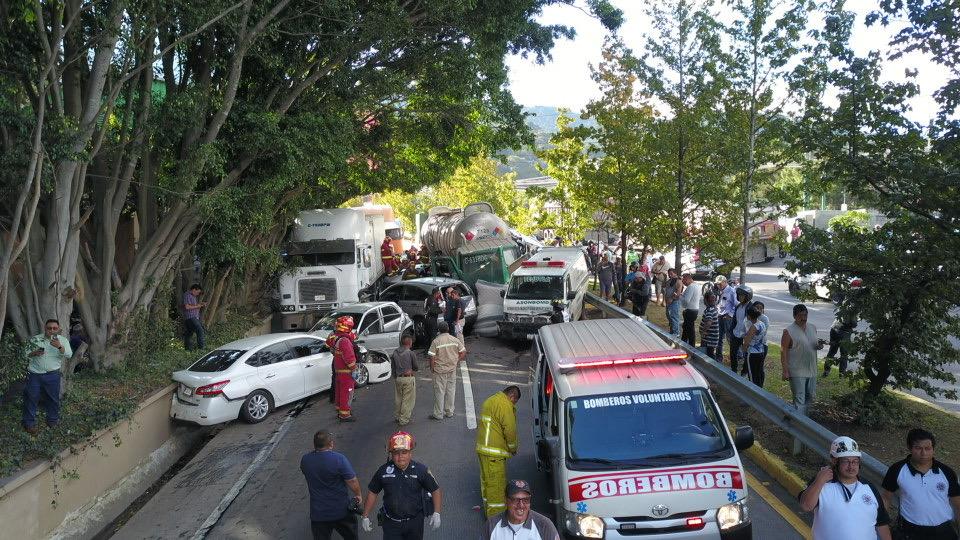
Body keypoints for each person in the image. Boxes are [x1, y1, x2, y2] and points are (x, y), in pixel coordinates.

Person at [799, 436, 892, 540]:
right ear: (834, 460)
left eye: (855, 461)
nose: (851, 466)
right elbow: (806, 506)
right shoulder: (822, 483)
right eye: (846, 461)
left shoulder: (869, 487)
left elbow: (882, 523)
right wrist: (819, 480)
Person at [881, 428, 960, 540]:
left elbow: (958, 506)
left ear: (933, 449)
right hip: (909, 532)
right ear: (910, 448)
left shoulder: (946, 472)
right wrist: (882, 524)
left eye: (928, 448)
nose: (924, 453)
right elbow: (886, 498)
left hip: (944, 533)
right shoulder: (897, 469)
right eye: (918, 448)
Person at [361, 432, 442, 538]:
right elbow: (373, 492)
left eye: (404, 452)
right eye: (396, 453)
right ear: (391, 454)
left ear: (410, 453)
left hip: (415, 523)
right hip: (391, 524)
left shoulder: (421, 470)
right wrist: (365, 516)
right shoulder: (383, 471)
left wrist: (437, 513)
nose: (400, 457)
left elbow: (435, 490)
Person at [300, 430, 362, 540]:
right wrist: (358, 495)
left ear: (314, 445)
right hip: (341, 511)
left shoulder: (305, 460)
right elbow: (352, 481)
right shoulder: (339, 459)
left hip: (318, 514)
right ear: (331, 444)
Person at [22, 318, 73, 435]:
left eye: (54, 328)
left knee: (53, 398)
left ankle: (52, 420)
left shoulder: (62, 340)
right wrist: (33, 353)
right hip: (34, 374)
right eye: (49, 328)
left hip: (52, 375)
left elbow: (69, 354)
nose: (51, 330)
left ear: (58, 329)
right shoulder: (36, 339)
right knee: (31, 398)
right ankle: (29, 424)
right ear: (45, 328)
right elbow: (25, 354)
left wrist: (59, 347)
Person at [476, 386, 520, 517]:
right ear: (512, 396)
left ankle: (488, 512)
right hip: (494, 454)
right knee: (496, 486)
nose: (513, 404)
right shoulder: (504, 404)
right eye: (514, 402)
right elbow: (510, 430)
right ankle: (496, 519)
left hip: (483, 449)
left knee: (486, 483)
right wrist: (513, 448)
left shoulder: (490, 400)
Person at [781, 304, 825, 416]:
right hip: (797, 371)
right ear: (794, 316)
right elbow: (783, 351)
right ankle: (798, 425)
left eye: (805, 315)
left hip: (811, 369)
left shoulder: (813, 327)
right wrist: (785, 370)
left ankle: (807, 423)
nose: (804, 318)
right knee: (799, 399)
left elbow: (812, 345)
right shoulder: (788, 331)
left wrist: (819, 346)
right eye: (801, 315)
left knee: (810, 396)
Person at [481, 479, 561, 540]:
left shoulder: (545, 526)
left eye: (526, 500)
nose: (521, 505)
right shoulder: (491, 525)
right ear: (506, 500)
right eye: (515, 500)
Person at [427, 322, 465, 420]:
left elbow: (432, 357)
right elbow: (463, 351)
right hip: (452, 370)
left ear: (439, 330)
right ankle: (449, 412)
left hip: (439, 371)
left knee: (439, 392)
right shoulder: (455, 340)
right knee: (451, 390)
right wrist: (456, 360)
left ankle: (438, 414)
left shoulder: (436, 341)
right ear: (448, 328)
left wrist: (432, 368)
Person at [326, 316, 359, 422]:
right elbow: (349, 358)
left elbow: (329, 344)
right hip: (346, 373)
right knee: (347, 393)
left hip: (339, 371)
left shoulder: (336, 337)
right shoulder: (345, 340)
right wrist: (354, 369)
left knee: (340, 392)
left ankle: (340, 410)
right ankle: (345, 415)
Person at [391, 335, 418, 426]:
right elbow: (416, 367)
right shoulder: (410, 353)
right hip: (408, 378)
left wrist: (395, 377)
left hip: (398, 378)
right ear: (409, 343)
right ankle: (404, 419)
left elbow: (393, 367)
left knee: (398, 399)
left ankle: (398, 416)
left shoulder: (395, 352)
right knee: (407, 400)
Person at [740, 306, 768, 387]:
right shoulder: (762, 324)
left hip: (752, 353)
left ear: (749, 316)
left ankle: (754, 394)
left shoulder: (753, 327)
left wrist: (743, 351)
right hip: (761, 351)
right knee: (758, 373)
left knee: (752, 375)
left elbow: (747, 342)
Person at [824, 311, 857, 377]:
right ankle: (842, 374)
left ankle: (826, 371)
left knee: (832, 351)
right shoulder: (854, 309)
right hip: (844, 332)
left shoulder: (844, 304)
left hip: (834, 328)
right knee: (844, 354)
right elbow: (854, 324)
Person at [730, 285, 753, 375]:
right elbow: (735, 320)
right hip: (736, 333)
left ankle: (744, 372)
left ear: (748, 296)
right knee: (733, 353)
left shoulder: (751, 307)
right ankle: (733, 370)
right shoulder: (738, 306)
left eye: (742, 295)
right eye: (739, 295)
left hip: (745, 335)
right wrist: (731, 330)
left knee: (746, 354)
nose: (740, 297)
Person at [715, 276, 737, 363]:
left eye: (720, 284)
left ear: (725, 282)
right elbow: (720, 303)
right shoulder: (721, 291)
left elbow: (736, 304)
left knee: (729, 338)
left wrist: (730, 315)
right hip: (720, 316)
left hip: (727, 318)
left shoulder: (731, 291)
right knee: (719, 337)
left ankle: (736, 357)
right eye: (717, 284)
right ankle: (718, 357)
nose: (718, 286)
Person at [679, 273, 701, 346]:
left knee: (689, 331)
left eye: (684, 280)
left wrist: (679, 296)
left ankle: (690, 346)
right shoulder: (697, 285)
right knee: (687, 329)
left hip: (690, 310)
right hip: (694, 310)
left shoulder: (691, 287)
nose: (683, 282)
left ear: (688, 279)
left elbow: (686, 301)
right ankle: (685, 344)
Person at [183, 284, 206, 350]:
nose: (198, 294)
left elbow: (192, 305)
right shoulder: (187, 295)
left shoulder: (193, 296)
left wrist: (200, 304)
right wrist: (198, 306)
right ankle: (201, 349)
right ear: (194, 289)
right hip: (191, 317)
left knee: (189, 333)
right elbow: (187, 307)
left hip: (193, 317)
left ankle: (188, 349)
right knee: (200, 330)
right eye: (198, 292)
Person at [700, 292, 721, 360]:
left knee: (708, 356)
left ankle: (712, 368)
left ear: (706, 300)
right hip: (712, 338)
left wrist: (703, 332)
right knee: (710, 353)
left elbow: (709, 322)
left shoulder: (709, 310)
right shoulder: (714, 309)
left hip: (709, 339)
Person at [663, 268, 682, 337]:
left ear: (675, 273)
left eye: (671, 274)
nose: (670, 275)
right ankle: (672, 331)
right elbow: (664, 287)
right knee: (669, 316)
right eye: (669, 274)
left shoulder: (678, 281)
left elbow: (678, 292)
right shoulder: (669, 280)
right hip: (668, 301)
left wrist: (672, 298)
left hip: (674, 302)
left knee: (674, 317)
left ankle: (676, 333)